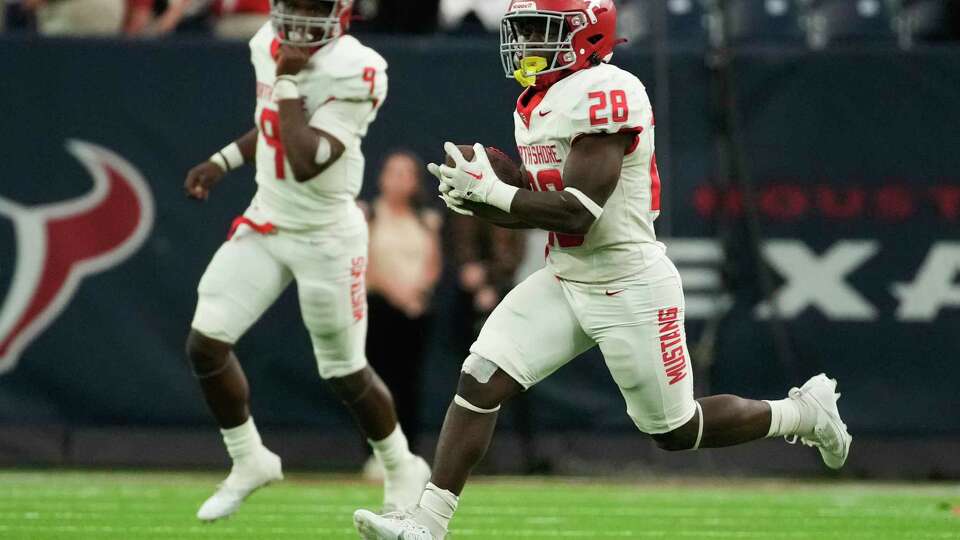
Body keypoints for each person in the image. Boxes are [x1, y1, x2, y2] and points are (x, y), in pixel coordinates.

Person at [352, 1, 851, 538]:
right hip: (567, 275)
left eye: (540, 33)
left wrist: (496, 192)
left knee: (675, 430)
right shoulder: (540, 100)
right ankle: (427, 523)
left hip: (628, 280)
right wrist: (482, 197)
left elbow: (579, 210)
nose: (526, 45)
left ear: (585, 36)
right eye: (522, 32)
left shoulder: (606, 91)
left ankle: (802, 413)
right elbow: (542, 198)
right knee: (480, 377)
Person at [181, 0, 429, 522]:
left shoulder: (359, 68)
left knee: (343, 372)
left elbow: (305, 156)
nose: (295, 18)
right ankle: (249, 459)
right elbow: (270, 122)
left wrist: (290, 80)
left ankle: (401, 463)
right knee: (206, 343)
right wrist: (223, 161)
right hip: (267, 220)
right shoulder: (264, 45)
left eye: (309, 7)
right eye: (290, 4)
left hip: (326, 238)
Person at [365, 151, 443, 459]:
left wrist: (416, 294)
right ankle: (377, 453)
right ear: (382, 178)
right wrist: (397, 295)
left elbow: (434, 265)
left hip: (415, 313)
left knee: (409, 384)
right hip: (380, 309)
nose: (398, 180)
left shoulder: (426, 220)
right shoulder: (369, 215)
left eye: (405, 173)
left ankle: (408, 453)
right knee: (376, 382)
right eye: (392, 172)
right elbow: (367, 263)